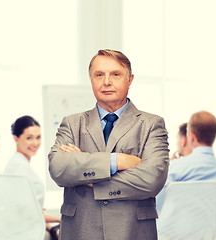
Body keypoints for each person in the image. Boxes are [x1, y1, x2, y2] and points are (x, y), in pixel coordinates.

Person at [48, 49, 170, 240]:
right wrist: (116, 161)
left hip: (132, 232)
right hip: (81, 231)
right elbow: (58, 168)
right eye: (99, 75)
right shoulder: (72, 124)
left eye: (115, 74)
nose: (106, 82)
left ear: (130, 80)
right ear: (91, 80)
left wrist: (89, 178)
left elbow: (152, 179)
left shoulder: (152, 124)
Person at [156, 111, 216, 214]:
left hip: (174, 229)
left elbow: (157, 204)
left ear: (192, 136)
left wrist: (166, 170)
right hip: (208, 230)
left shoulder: (175, 168)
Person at [4, 115, 60, 240]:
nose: (35, 143)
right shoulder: (19, 168)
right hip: (25, 232)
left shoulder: (18, 163)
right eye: (29, 138)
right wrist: (60, 219)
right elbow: (26, 213)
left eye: (38, 137)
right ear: (16, 139)